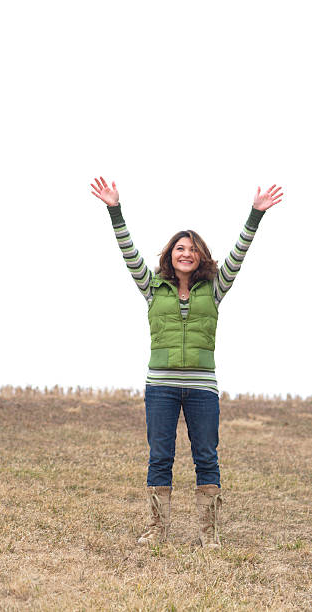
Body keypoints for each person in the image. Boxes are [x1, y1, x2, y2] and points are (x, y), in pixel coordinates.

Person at [90, 177, 283, 548]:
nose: (186, 253)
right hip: (160, 386)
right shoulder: (151, 286)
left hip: (201, 388)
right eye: (180, 248)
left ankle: (209, 532)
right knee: (160, 455)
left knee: (206, 455)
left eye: (192, 249)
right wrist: (114, 210)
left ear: (201, 256)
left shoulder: (215, 287)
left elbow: (239, 254)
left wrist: (255, 215)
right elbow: (127, 250)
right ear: (170, 254)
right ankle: (156, 528)